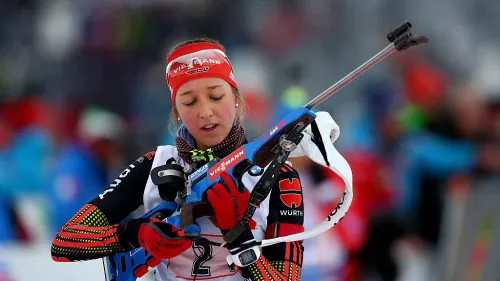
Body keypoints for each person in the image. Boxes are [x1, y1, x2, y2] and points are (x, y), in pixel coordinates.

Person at [51, 38, 305, 281]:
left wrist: (239, 236)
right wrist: (136, 234)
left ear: (237, 100)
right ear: (178, 112)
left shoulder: (278, 175)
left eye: (216, 96)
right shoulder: (154, 165)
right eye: (189, 101)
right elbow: (66, 242)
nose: (205, 111)